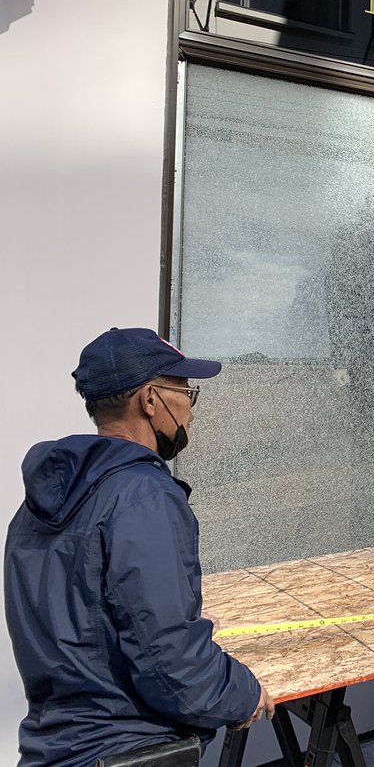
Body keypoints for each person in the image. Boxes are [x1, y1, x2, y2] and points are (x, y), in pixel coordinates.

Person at [4, 328, 274, 766]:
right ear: (150, 400)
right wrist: (241, 692)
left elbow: (71, 621)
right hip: (128, 746)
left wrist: (171, 618)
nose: (190, 409)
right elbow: (170, 660)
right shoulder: (144, 495)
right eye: (185, 390)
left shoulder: (43, 501)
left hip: (55, 748)